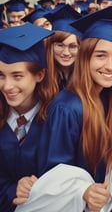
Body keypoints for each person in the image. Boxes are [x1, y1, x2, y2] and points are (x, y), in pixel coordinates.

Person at [14, 6, 112, 211]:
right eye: (101, 55)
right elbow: (53, 177)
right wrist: (84, 191)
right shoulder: (67, 108)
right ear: (85, 58)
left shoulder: (108, 99)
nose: (110, 65)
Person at [0, 23, 54, 212]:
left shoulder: (57, 119)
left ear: (39, 75)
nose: (7, 86)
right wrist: (14, 188)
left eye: (17, 76)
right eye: (1, 75)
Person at [43, 4, 82, 95]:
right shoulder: (42, 76)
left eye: (72, 46)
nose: (66, 53)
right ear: (51, 45)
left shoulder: (86, 77)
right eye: (60, 45)